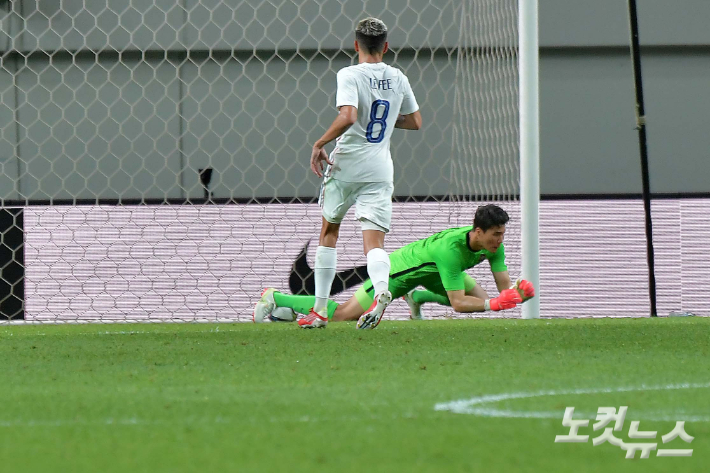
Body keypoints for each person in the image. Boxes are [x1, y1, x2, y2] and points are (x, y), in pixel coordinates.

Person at [299, 17, 422, 329]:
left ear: (356, 45)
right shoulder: (398, 77)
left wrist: (320, 142)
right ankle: (382, 291)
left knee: (329, 232)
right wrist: (385, 117)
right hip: (380, 168)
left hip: (347, 164)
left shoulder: (350, 74)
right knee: (374, 244)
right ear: (386, 47)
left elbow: (349, 115)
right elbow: (415, 121)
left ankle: (320, 312)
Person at [254, 205, 535, 328]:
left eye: (502, 233)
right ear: (477, 231)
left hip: (435, 270)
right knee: (342, 316)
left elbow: (502, 292)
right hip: (401, 269)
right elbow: (461, 304)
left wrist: (515, 294)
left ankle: (420, 297)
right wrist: (498, 304)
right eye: (495, 234)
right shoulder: (450, 251)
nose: (500, 239)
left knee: (484, 301)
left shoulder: (494, 246)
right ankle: (275, 297)